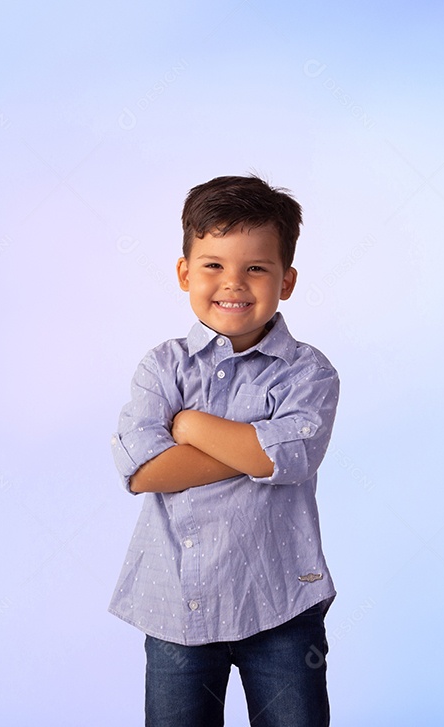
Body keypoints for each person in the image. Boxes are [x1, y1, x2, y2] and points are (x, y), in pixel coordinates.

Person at [109, 175, 340, 727]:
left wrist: (188, 424)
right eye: (213, 264)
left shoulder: (308, 371)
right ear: (185, 271)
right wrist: (255, 443)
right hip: (175, 602)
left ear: (286, 280)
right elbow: (144, 470)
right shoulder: (162, 366)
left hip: (282, 600)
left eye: (255, 268)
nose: (232, 283)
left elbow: (288, 458)